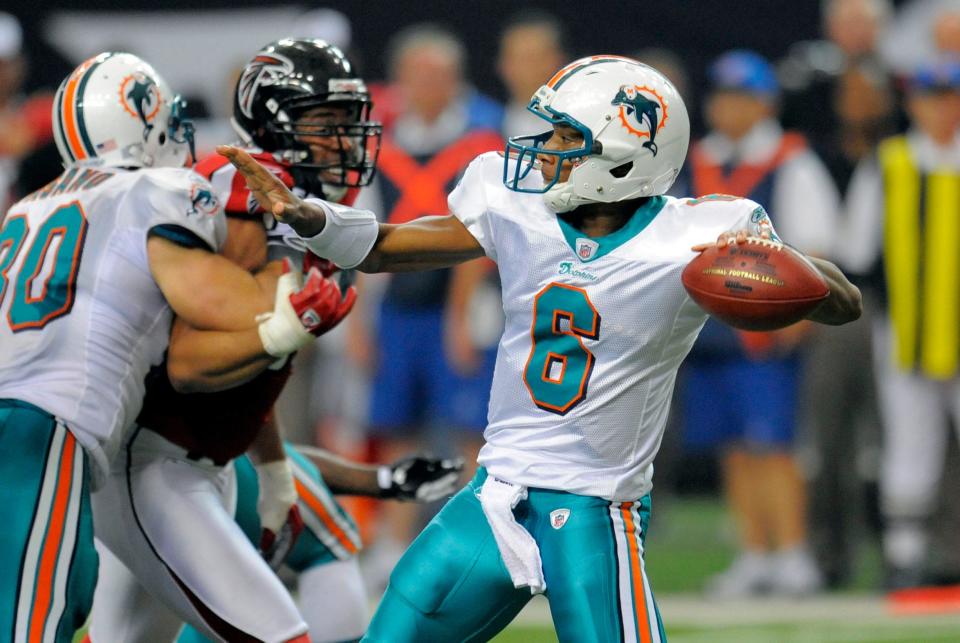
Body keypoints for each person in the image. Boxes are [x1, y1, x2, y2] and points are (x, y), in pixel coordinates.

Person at [220, 53, 862, 641]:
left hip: (593, 507)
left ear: (621, 154)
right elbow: (389, 245)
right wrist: (312, 218)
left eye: (565, 138)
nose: (545, 150)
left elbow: (842, 299)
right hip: (494, 493)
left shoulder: (691, 235)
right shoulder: (518, 207)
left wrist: (777, 266)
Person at [84, 39, 455, 643]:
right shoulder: (242, 192)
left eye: (348, 122)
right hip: (152, 463)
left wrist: (276, 468)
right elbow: (188, 364)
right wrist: (284, 328)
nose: (345, 140)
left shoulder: (304, 211)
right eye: (326, 124)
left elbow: (255, 366)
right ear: (273, 122)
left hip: (196, 462)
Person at [0, 51, 340, 643]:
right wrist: (286, 299)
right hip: (40, 427)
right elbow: (212, 302)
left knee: (64, 600)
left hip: (35, 425)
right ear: (140, 120)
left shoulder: (31, 205)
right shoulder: (153, 191)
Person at [678, 50, 841, 598]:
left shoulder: (790, 161)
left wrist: (793, 321)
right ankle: (753, 551)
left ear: (766, 103)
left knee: (776, 445)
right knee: (733, 446)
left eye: (741, 97)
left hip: (764, 332)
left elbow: (814, 248)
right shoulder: (699, 159)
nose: (728, 108)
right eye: (721, 97)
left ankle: (792, 551)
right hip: (709, 329)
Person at [350, 23, 504, 588]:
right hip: (399, 311)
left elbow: (483, 235)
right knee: (393, 428)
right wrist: (361, 323)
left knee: (471, 428)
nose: (428, 86)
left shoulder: (482, 143)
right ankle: (392, 541)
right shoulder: (382, 146)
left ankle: (479, 540)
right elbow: (367, 239)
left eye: (438, 75)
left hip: (462, 308)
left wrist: (459, 319)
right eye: (417, 75)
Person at [843, 57, 960, 589]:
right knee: (910, 447)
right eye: (931, 98)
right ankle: (904, 558)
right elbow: (857, 250)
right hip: (905, 334)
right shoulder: (889, 163)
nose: (941, 110)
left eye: (950, 97)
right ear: (912, 104)